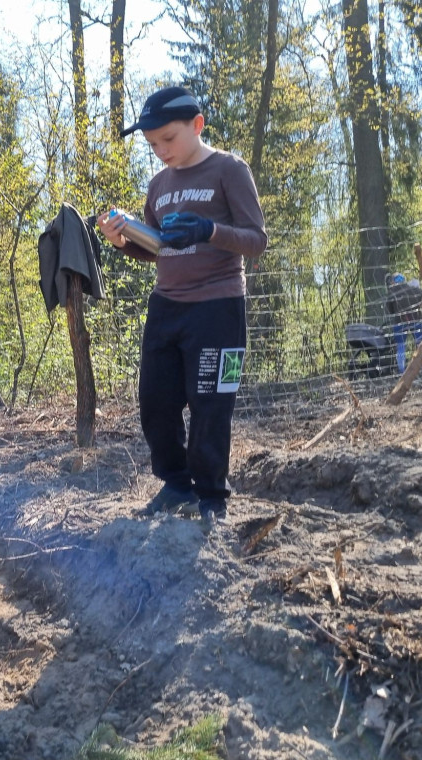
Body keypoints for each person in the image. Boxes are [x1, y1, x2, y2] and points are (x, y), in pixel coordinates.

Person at [97, 86, 267, 529]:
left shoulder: (228, 169)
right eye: (152, 144)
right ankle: (175, 484)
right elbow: (158, 250)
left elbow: (257, 240)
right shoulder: (159, 185)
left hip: (219, 306)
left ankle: (211, 496)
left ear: (197, 125)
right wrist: (123, 240)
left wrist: (209, 230)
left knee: (212, 403)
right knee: (155, 401)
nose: (160, 151)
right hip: (166, 305)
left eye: (167, 140)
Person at [385, 272, 422, 375]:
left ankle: (401, 371)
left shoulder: (391, 292)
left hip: (400, 321)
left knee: (400, 347)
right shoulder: (414, 289)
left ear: (393, 281)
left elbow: (389, 309)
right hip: (416, 319)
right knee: (420, 345)